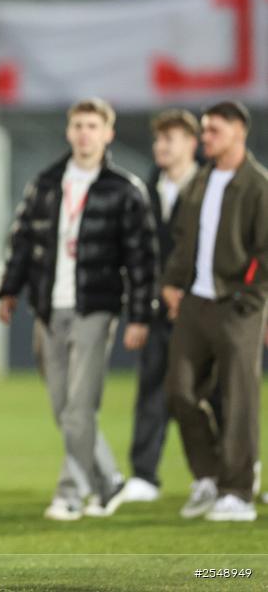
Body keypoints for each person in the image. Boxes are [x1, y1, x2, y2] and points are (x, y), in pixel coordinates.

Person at [0, 98, 157, 522]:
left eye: (93, 126)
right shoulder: (47, 183)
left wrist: (140, 315)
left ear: (108, 134)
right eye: (79, 125)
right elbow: (23, 240)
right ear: (69, 132)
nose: (85, 133)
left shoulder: (126, 190)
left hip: (94, 307)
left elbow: (142, 259)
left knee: (79, 408)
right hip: (49, 307)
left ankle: (71, 492)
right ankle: (109, 482)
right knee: (62, 407)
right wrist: (9, 289)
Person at [163, 101, 268, 522]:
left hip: (236, 306)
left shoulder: (258, 186)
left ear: (239, 132)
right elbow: (184, 238)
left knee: (239, 399)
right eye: (204, 131)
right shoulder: (201, 181)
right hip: (195, 303)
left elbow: (265, 252)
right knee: (179, 393)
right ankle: (208, 475)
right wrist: (171, 282)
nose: (205, 138)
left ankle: (238, 492)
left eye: (213, 131)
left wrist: (250, 299)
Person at [121, 110, 201, 504]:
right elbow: (140, 256)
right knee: (152, 390)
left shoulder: (210, 187)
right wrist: (148, 303)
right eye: (158, 140)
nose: (161, 147)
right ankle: (145, 475)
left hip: (204, 306)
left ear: (192, 142)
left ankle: (223, 472)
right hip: (157, 309)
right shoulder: (148, 191)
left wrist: (185, 290)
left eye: (170, 139)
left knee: (209, 394)